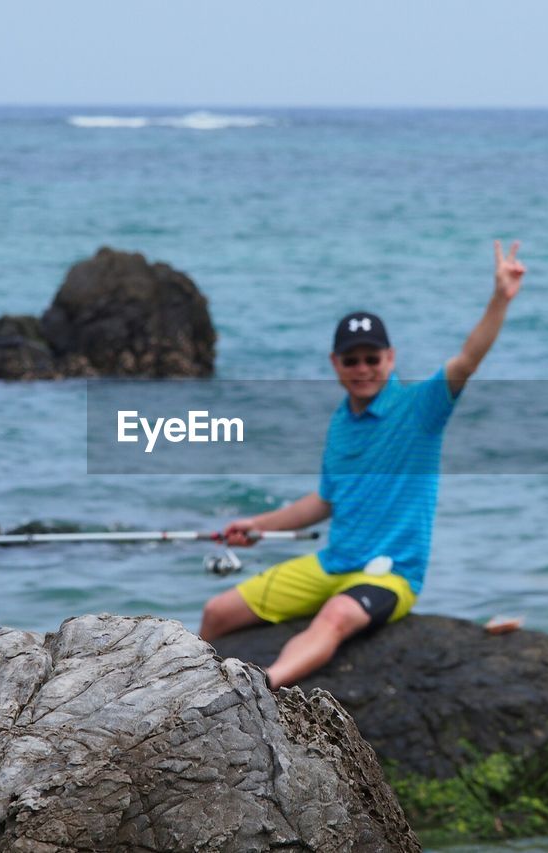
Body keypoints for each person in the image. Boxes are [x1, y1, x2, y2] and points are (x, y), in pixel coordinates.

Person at [199, 239, 527, 688]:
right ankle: (191, 689)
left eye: (372, 358)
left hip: (391, 574)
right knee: (217, 612)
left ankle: (265, 687)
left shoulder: (420, 409)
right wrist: (256, 526)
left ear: (390, 359)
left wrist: (500, 297)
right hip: (332, 563)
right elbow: (322, 502)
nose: (362, 368)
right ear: (336, 364)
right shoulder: (340, 422)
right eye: (351, 360)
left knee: (334, 617)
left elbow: (467, 359)